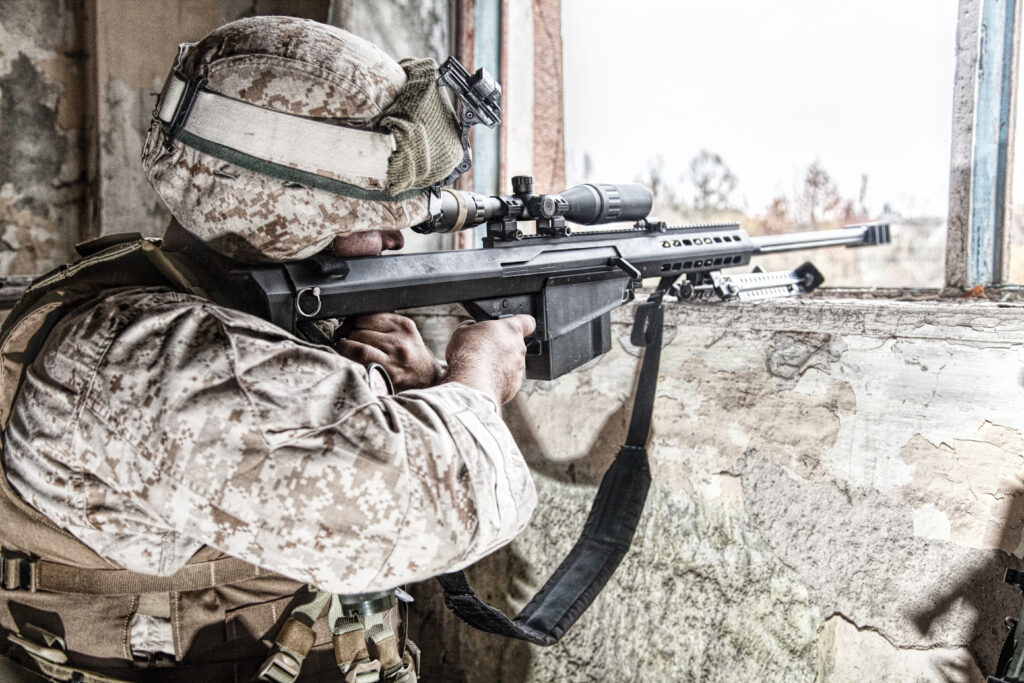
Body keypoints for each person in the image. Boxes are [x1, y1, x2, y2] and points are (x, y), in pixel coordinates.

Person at [0, 16, 536, 683]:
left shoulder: (208, 310)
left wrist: (417, 386)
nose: (397, 241)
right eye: (375, 217)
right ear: (290, 216)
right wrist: (481, 369)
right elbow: (448, 501)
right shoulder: (144, 359)